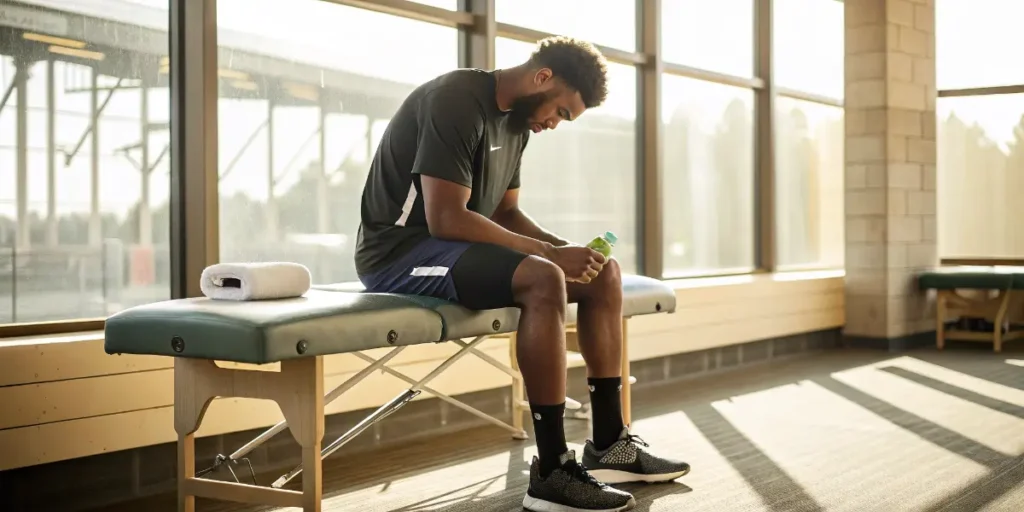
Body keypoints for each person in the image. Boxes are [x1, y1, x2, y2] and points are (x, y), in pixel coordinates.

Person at [354, 35, 690, 512]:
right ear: (542, 78)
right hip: (398, 253)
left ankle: (611, 445)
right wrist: (549, 258)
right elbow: (446, 217)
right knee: (543, 277)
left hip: (452, 248)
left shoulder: (517, 125)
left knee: (604, 273)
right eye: (561, 112)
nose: (554, 124)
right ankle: (552, 470)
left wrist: (563, 249)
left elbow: (507, 214)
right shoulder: (457, 99)